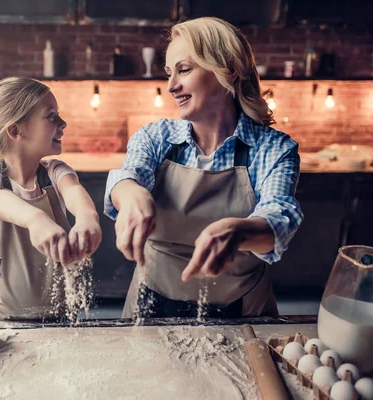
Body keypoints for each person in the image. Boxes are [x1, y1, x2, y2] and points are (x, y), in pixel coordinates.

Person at [105, 17, 303, 319]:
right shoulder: (156, 137)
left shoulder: (273, 149)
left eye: (184, 69)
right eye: (169, 73)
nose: (171, 86)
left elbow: (280, 216)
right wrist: (130, 194)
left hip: (243, 311)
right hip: (149, 303)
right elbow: (129, 176)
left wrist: (240, 231)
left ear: (229, 70)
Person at [0, 77, 102, 319]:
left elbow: (74, 192)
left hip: (63, 313)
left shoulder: (55, 172)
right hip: (6, 319)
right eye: (51, 116)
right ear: (16, 130)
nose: (63, 123)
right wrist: (36, 219)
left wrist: (88, 219)